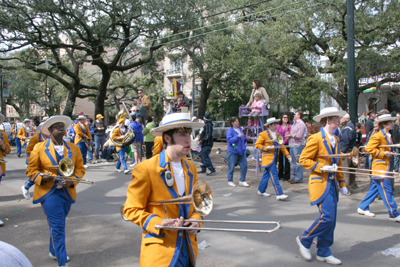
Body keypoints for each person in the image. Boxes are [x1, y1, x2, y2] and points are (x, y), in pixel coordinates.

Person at [123, 112, 204, 266]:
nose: (188, 139)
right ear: (167, 138)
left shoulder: (191, 167)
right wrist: (159, 223)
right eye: (182, 134)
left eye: (189, 133)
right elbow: (130, 209)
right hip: (160, 252)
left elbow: (197, 203)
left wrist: (196, 221)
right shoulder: (146, 169)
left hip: (188, 250)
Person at [26, 115, 86, 267]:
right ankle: (61, 261)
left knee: (57, 224)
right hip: (48, 193)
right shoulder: (39, 148)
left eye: (62, 127)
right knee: (58, 227)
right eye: (57, 127)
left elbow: (80, 169)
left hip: (66, 193)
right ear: (50, 131)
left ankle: (53, 251)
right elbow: (31, 171)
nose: (61, 129)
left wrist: (72, 181)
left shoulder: (74, 148)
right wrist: (42, 176)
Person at [296, 107, 348, 265]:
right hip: (319, 183)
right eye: (337, 119)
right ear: (329, 121)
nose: (339, 122)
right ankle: (304, 239)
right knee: (327, 217)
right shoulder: (316, 138)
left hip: (332, 184)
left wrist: (342, 183)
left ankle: (324, 251)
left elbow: (338, 163)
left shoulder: (337, 140)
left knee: (332, 221)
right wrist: (321, 166)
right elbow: (303, 160)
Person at [357, 114, 400, 222]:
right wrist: (383, 153)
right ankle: (393, 213)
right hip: (380, 167)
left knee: (375, 189)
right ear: (384, 124)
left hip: (386, 165)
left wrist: (390, 153)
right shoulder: (378, 135)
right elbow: (368, 148)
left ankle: (362, 207)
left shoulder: (387, 135)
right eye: (390, 122)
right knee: (387, 190)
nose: (392, 124)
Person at [255, 117, 291, 200]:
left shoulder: (278, 135)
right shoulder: (263, 134)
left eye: (276, 124)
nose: (276, 126)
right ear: (269, 125)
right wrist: (267, 148)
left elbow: (282, 146)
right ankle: (279, 194)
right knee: (274, 175)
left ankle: (261, 190)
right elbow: (257, 145)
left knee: (266, 175)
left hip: (275, 158)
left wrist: (288, 156)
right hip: (268, 158)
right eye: (274, 124)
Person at [21, 121, 50, 200]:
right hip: (36, 160)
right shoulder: (35, 138)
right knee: (38, 175)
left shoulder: (50, 138)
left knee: (45, 175)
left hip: (47, 160)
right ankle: (26, 186)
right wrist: (37, 156)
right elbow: (28, 150)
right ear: (41, 130)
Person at [226, 117, 250, 187]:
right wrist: (237, 136)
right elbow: (229, 141)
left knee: (244, 165)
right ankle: (230, 180)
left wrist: (246, 139)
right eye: (236, 121)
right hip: (233, 151)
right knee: (231, 166)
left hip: (241, 151)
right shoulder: (230, 131)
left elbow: (242, 139)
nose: (237, 123)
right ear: (232, 123)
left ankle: (242, 180)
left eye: (238, 121)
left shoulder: (240, 129)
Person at [286, 111, 306, 184]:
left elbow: (299, 135)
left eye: (296, 114)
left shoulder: (301, 124)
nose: (294, 115)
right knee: (294, 162)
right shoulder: (294, 123)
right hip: (293, 145)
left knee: (298, 162)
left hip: (298, 145)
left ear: (299, 116)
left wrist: (291, 135)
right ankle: (295, 177)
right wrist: (289, 134)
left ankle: (298, 178)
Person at [339, 113, 357, 189]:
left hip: (347, 151)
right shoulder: (351, 125)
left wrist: (342, 151)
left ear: (345, 119)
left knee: (345, 170)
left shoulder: (347, 128)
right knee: (351, 170)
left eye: (341, 118)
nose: (339, 120)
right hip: (351, 150)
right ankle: (352, 184)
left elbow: (346, 140)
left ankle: (345, 187)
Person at [276, 113, 292, 181]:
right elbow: (277, 134)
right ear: (281, 118)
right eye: (284, 117)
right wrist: (280, 143)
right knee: (280, 160)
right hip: (280, 144)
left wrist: (284, 142)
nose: (285, 118)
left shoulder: (290, 126)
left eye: (287, 117)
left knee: (287, 160)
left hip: (287, 144)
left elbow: (290, 134)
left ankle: (286, 176)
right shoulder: (278, 126)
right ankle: (280, 175)